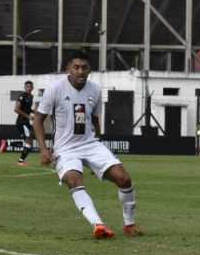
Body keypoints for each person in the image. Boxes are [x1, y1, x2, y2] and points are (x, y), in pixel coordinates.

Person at [33, 52, 143, 239]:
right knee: (74, 180)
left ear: (89, 70)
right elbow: (38, 119)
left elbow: (95, 119)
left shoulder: (95, 90)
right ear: (68, 69)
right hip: (65, 148)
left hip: (90, 144)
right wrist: (43, 149)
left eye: (84, 67)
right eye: (76, 67)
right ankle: (99, 225)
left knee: (124, 178)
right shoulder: (55, 89)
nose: (80, 71)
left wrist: (99, 153)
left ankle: (129, 225)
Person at [15, 81, 36, 166]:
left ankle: (21, 160)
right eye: (27, 86)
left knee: (30, 139)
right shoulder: (22, 96)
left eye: (30, 87)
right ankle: (20, 161)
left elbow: (28, 109)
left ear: (32, 88)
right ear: (25, 87)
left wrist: (34, 112)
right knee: (29, 138)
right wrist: (28, 116)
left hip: (26, 122)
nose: (29, 88)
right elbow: (16, 109)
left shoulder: (31, 96)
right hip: (21, 122)